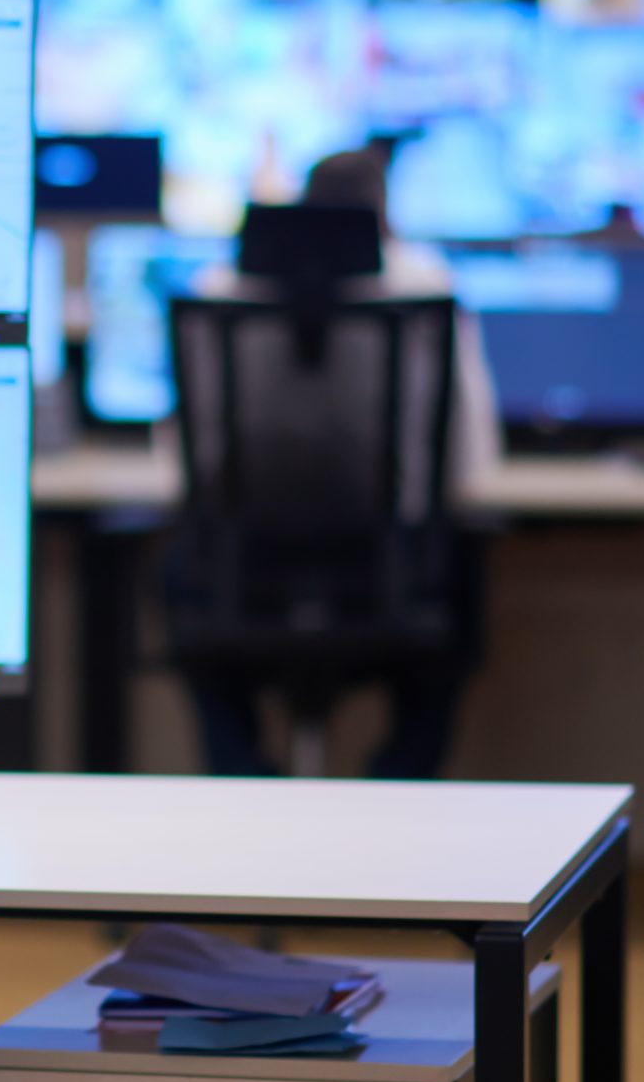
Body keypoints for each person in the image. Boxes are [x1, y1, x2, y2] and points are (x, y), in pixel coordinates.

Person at [176, 145, 500, 780]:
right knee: (462, 585)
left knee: (179, 581)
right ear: (385, 215)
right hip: (391, 578)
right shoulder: (425, 284)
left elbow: (186, 468)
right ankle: (391, 793)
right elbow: (471, 468)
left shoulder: (221, 289)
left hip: (248, 579)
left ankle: (246, 789)